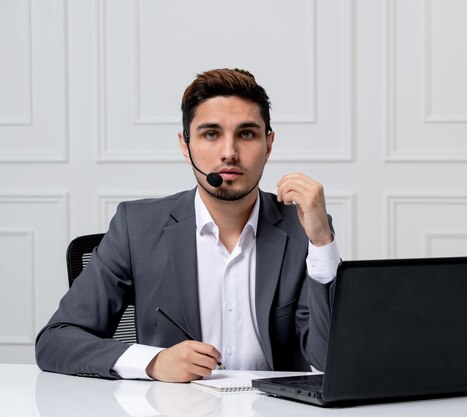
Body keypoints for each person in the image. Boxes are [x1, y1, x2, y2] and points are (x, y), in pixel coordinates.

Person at [35, 68, 340, 382]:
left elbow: (329, 359)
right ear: (185, 145)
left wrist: (322, 243)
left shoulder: (302, 227)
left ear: (269, 144)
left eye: (246, 134)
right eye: (211, 134)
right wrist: (153, 362)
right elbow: (56, 341)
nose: (229, 153)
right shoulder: (136, 228)